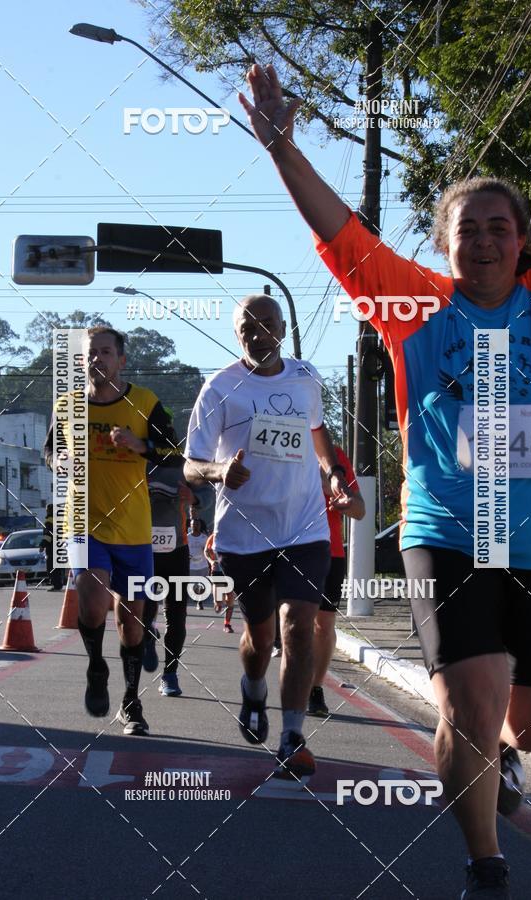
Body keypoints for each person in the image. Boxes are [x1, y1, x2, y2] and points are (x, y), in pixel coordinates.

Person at [239, 65, 531, 897]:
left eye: (501, 228)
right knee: (468, 700)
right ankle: (485, 865)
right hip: (447, 534)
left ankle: (499, 745)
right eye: (469, 230)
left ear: (524, 238)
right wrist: (283, 148)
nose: (486, 242)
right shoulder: (410, 305)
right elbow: (341, 232)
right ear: (444, 244)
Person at [184, 292, 352, 779]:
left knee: (298, 627)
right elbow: (191, 464)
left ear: (282, 327)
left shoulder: (306, 378)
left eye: (266, 324)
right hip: (245, 534)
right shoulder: (219, 388)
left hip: (305, 526)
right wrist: (219, 471)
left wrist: (333, 471)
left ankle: (292, 736)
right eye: (246, 328)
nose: (257, 334)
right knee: (259, 638)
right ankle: (253, 689)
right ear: (236, 335)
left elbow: (318, 431)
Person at [44, 327, 178, 736]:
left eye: (105, 353)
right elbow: (49, 451)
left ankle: (131, 701)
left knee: (132, 622)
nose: (96, 360)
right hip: (83, 522)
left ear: (121, 359)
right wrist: (59, 460)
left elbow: (175, 451)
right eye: (90, 354)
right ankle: (97, 666)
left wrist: (141, 446)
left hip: (133, 529)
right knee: (91, 599)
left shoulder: (145, 403)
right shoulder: (67, 406)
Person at [142, 407, 196, 697]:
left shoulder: (184, 465)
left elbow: (207, 491)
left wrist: (195, 497)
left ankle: (170, 674)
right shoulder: (137, 463)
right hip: (143, 551)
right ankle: (147, 634)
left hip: (177, 550)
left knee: (177, 616)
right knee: (144, 610)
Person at [308, 445, 364, 717]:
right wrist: (325, 486)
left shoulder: (336, 455)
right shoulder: (281, 441)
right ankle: (294, 685)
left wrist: (347, 501)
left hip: (331, 551)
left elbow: (360, 509)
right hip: (290, 546)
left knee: (323, 625)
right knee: (294, 621)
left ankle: (315, 689)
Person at [204, 532, 236, 632]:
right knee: (218, 604)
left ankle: (227, 625)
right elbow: (206, 551)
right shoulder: (213, 536)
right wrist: (211, 561)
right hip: (217, 570)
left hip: (230, 571)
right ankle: (217, 603)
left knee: (230, 599)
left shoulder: (234, 536)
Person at [40, 503, 64, 591]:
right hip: (60, 545)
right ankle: (59, 584)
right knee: (57, 567)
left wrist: (42, 545)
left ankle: (56, 585)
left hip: (52, 547)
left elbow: (48, 535)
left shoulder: (49, 521)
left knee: (51, 567)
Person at [187, 516, 209, 610]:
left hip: (203, 565)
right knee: (194, 586)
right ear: (190, 526)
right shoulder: (187, 537)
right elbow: (183, 550)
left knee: (202, 584)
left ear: (200, 526)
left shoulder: (204, 538)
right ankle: (197, 599)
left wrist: (206, 551)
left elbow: (208, 550)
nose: (195, 526)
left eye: (197, 524)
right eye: (193, 525)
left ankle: (200, 602)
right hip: (191, 566)